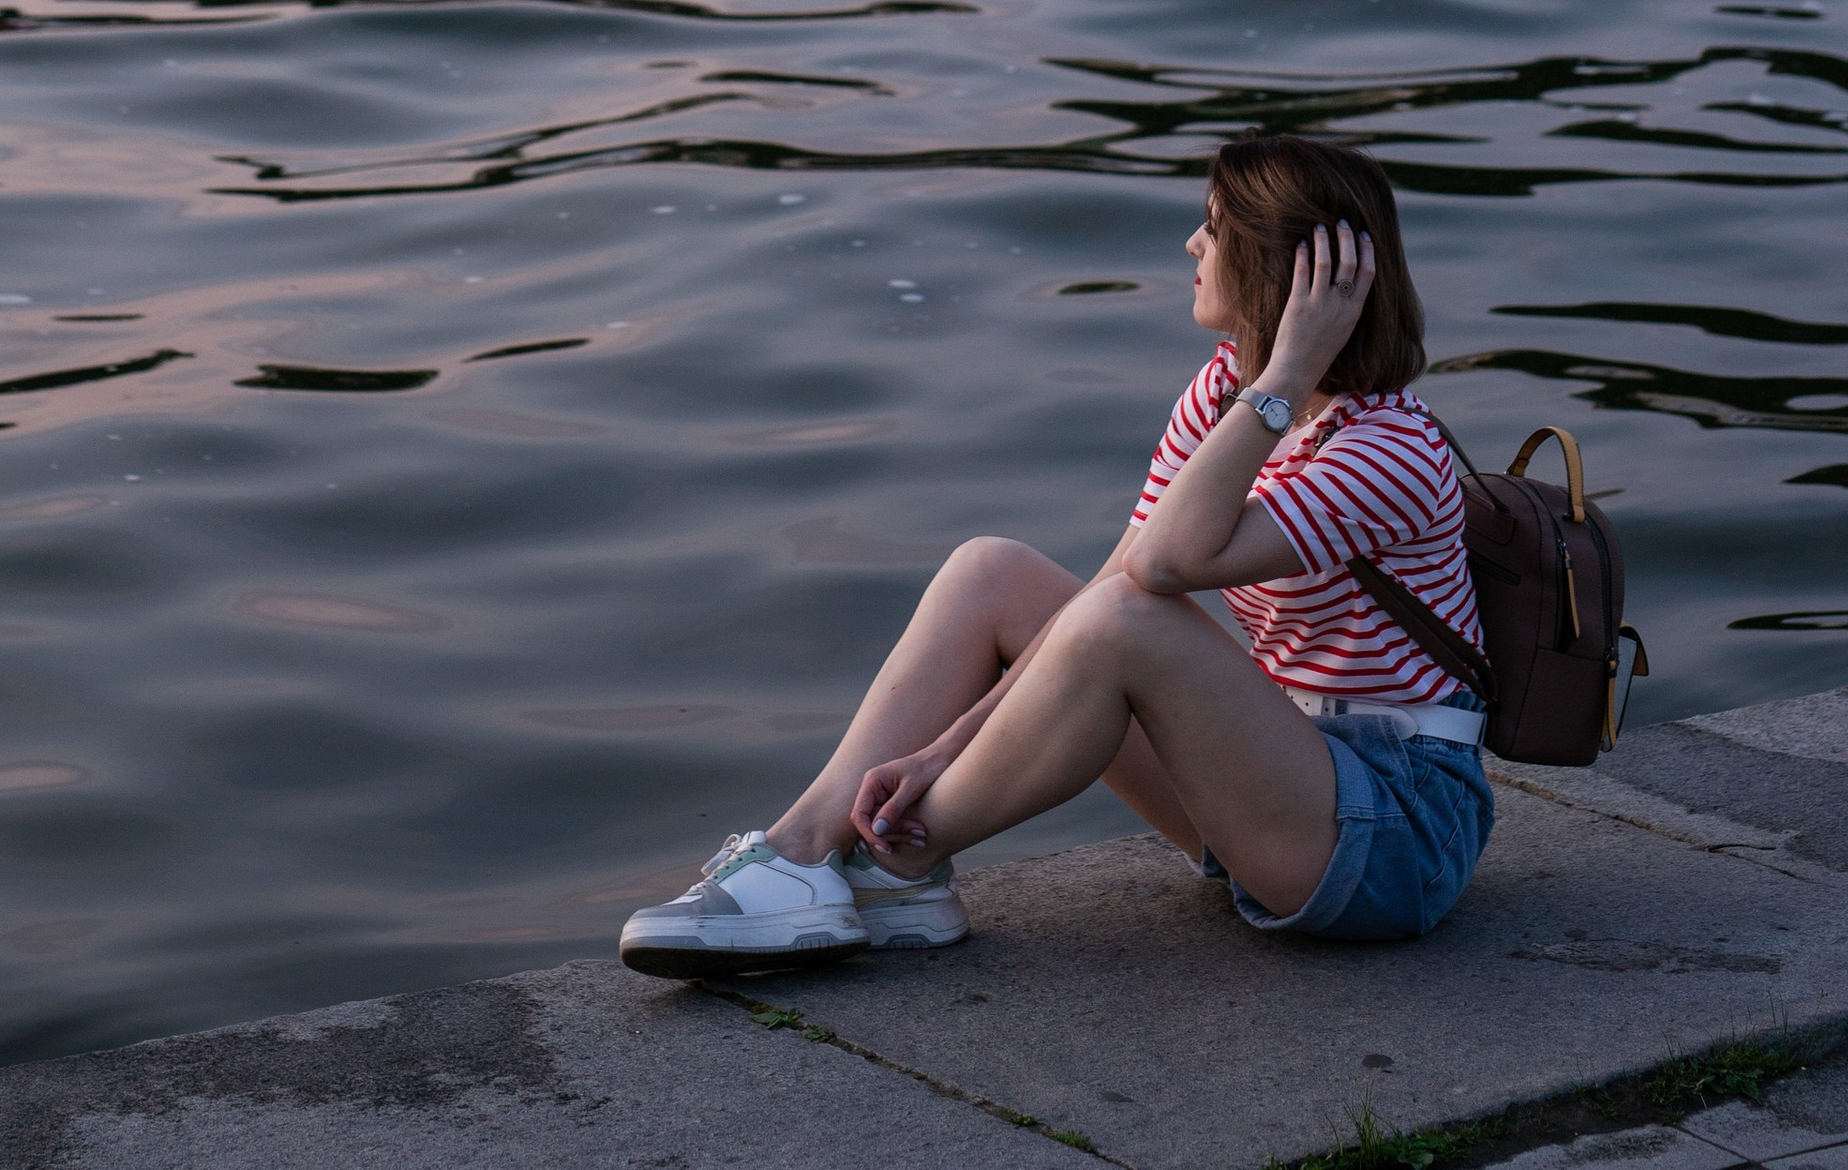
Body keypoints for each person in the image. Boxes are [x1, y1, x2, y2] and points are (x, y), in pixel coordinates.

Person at [618, 135, 1491, 972]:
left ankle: (896, 866)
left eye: (1215, 227)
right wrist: (944, 748)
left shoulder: (1388, 449)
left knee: (1127, 618)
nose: (1192, 243)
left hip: (1394, 833)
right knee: (991, 569)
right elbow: (1115, 577)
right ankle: (805, 848)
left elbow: (1161, 572)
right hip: (1280, 780)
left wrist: (1286, 376)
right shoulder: (1228, 391)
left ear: (1281, 269)